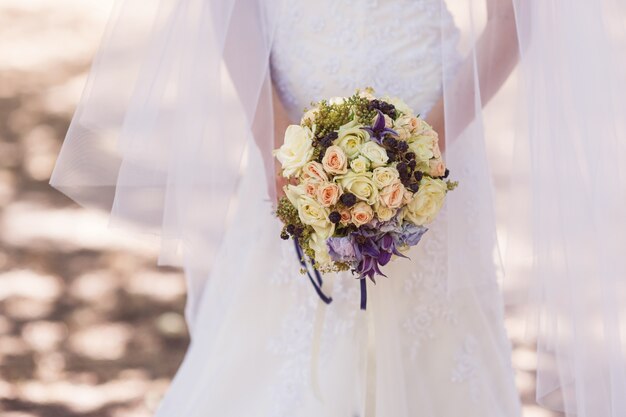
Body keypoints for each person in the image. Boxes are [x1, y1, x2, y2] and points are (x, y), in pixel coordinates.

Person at [50, 0, 626, 416]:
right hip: (288, 117)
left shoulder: (430, 145)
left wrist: (422, 150)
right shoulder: (278, 137)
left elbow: (512, 17)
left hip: (434, 120)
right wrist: (276, 140)